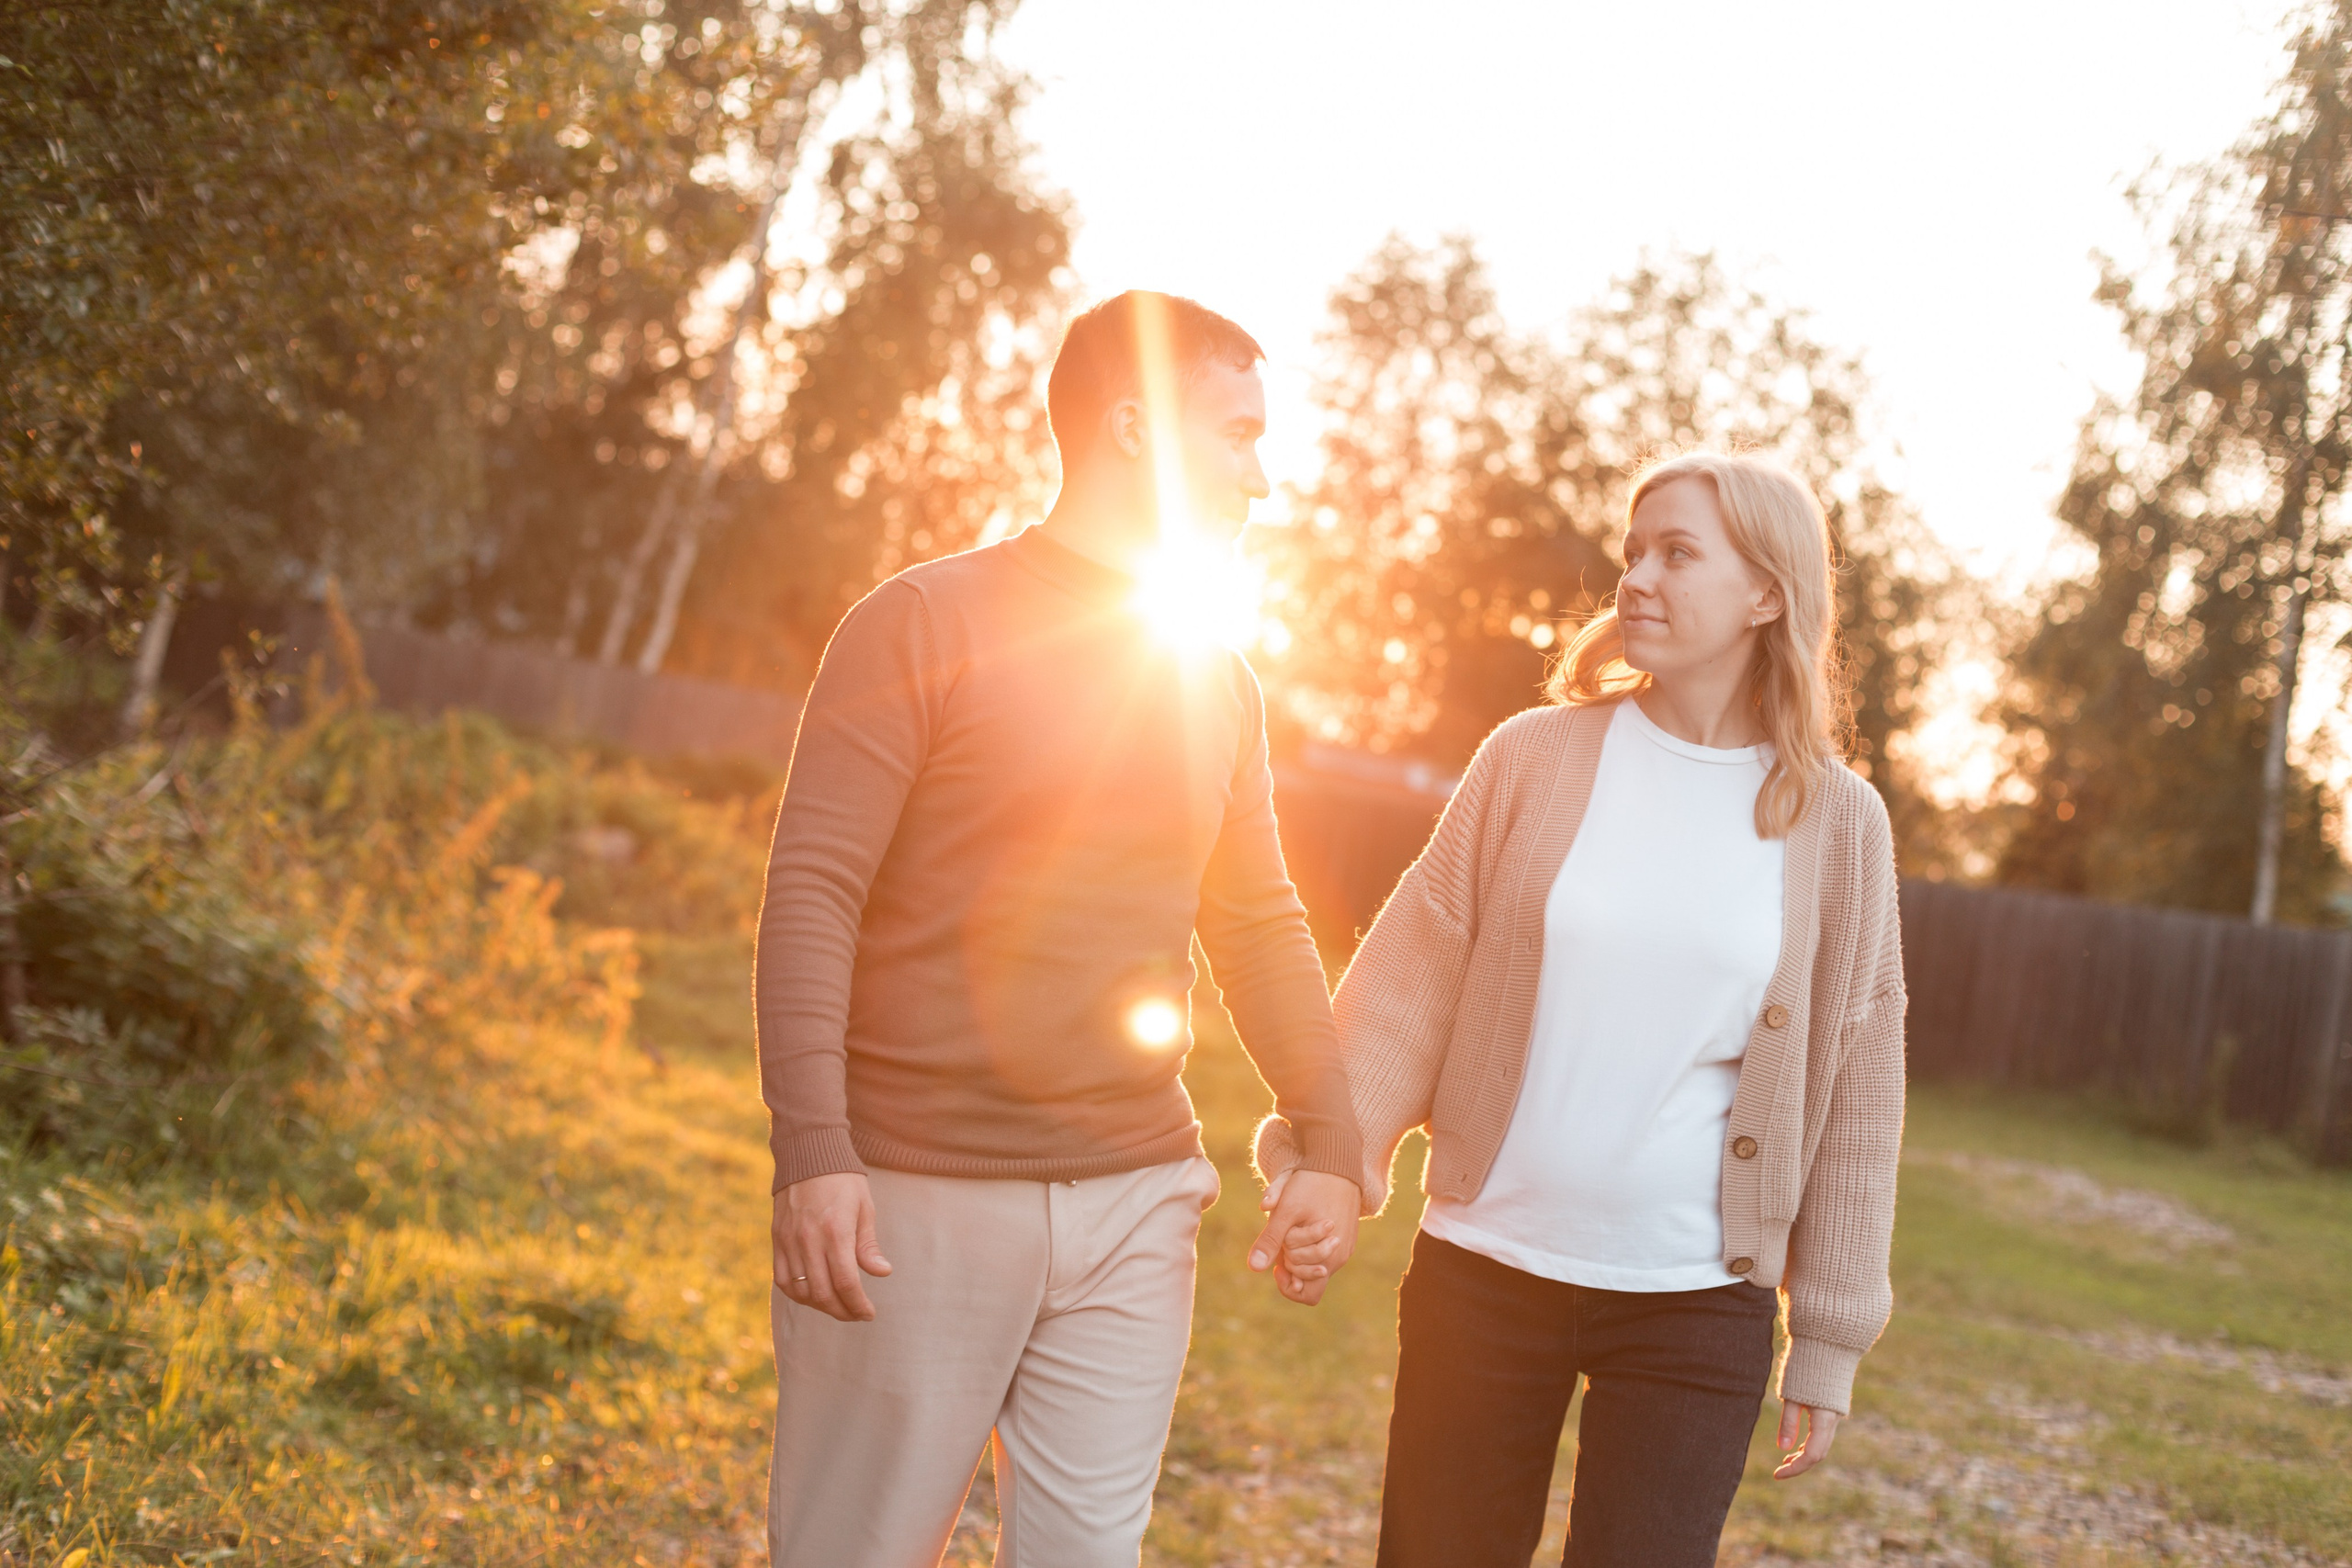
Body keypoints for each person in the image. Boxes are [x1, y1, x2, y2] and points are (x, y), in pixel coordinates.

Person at [756, 289, 1364, 1567]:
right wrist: (814, 1146)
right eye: (1238, 435)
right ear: (1137, 425)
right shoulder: (920, 622)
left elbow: (1255, 918)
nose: (1264, 475)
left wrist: (1334, 1135)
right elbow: (815, 887)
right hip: (914, 1193)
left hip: (1137, 1195)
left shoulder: (1218, 674)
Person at [1263, 450, 1907, 1567]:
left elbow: (1859, 1082)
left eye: (1676, 554)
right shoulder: (1532, 758)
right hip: (1485, 1269)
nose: (1635, 581)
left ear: (1765, 592)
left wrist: (1832, 1334)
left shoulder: (1839, 823)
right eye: (1631, 553)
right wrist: (1328, 1156)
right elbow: (1414, 971)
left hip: (1695, 1305)